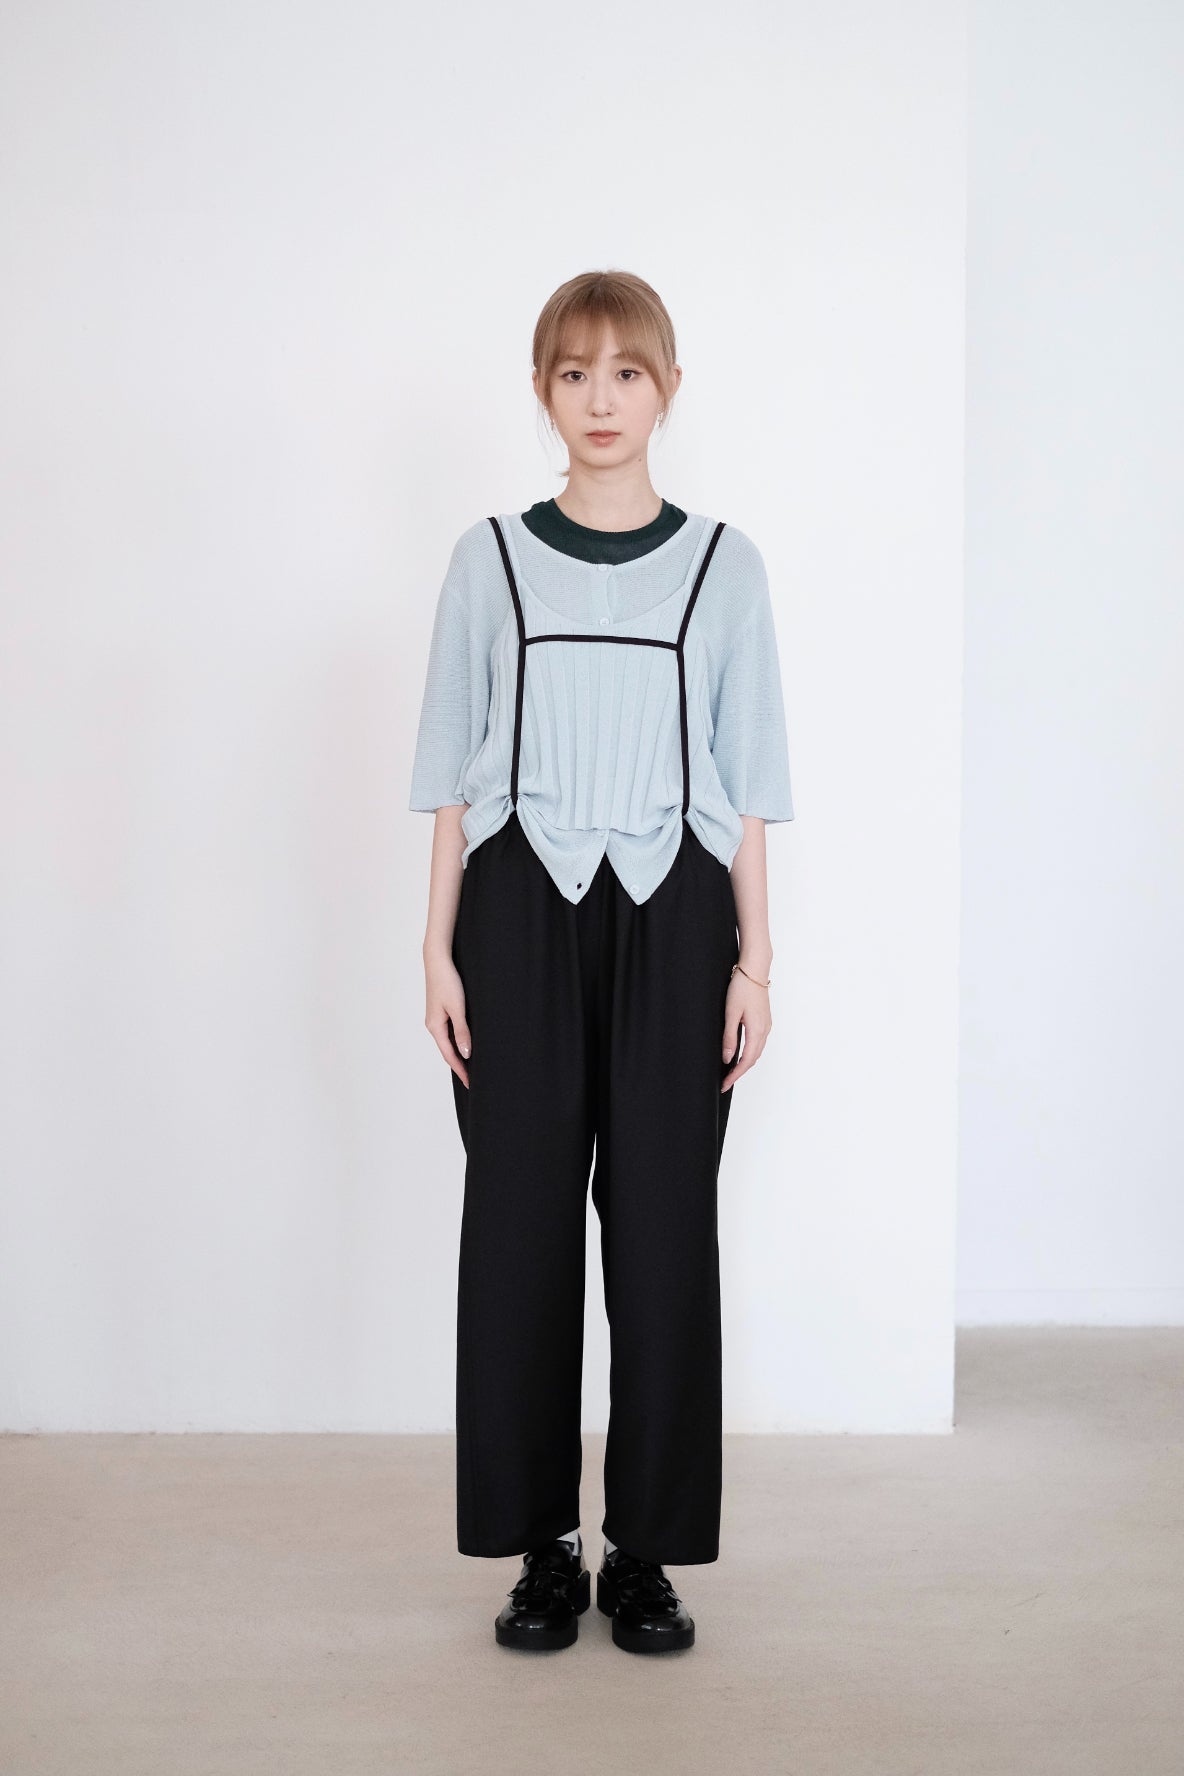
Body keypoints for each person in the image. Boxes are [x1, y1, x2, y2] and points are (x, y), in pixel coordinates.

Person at [408, 270, 794, 1654]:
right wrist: (435, 946)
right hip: (516, 909)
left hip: (678, 913)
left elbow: (749, 781)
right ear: (542, 393)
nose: (601, 398)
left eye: (627, 371)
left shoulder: (726, 567)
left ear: (668, 389)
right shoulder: (490, 562)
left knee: (665, 1234)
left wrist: (757, 961)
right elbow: (452, 773)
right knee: (517, 1233)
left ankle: (645, 1554)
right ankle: (541, 1549)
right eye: (574, 373)